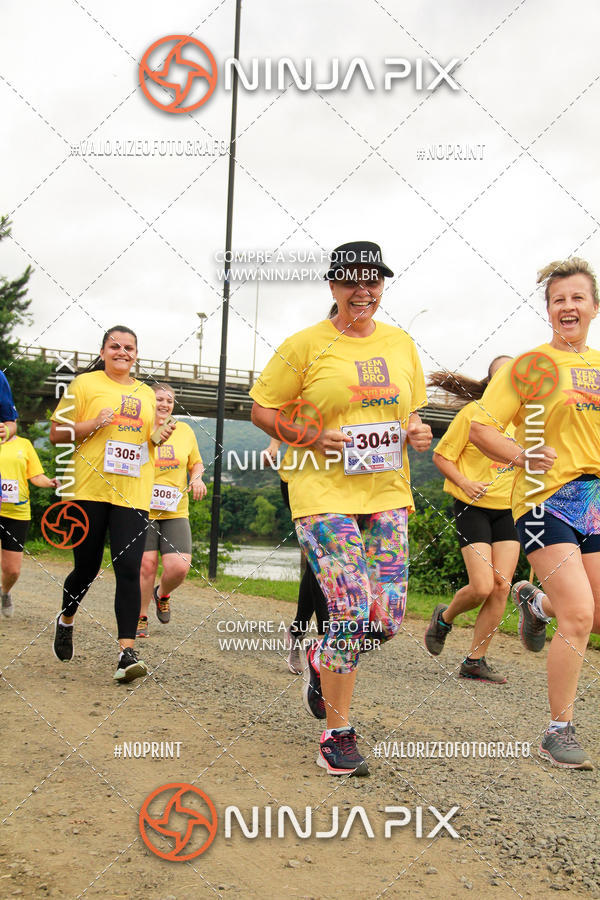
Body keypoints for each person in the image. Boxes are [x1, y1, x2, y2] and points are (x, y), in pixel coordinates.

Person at [250, 240, 432, 776]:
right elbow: (261, 409)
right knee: (351, 610)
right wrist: (311, 435)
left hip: (386, 494)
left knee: (388, 618)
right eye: (352, 281)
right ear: (333, 286)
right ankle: (337, 732)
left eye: (373, 281)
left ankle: (320, 657)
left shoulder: (401, 344)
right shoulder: (304, 345)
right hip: (321, 492)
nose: (363, 291)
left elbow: (411, 414)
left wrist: (417, 430)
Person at [470, 258, 600, 770]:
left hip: (594, 499)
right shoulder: (531, 366)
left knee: (595, 613)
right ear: (547, 309)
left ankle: (537, 605)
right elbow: (482, 427)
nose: (567, 307)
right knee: (581, 613)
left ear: (593, 307)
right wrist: (521, 454)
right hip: (546, 499)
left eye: (577, 298)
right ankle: (557, 730)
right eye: (558, 299)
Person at [50, 326, 175, 683]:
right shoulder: (84, 385)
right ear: (103, 351)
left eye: (130, 347)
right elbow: (57, 433)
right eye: (115, 346)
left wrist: (159, 436)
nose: (123, 352)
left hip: (132, 494)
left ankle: (126, 652)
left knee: (129, 569)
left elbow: (148, 441)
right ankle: (66, 619)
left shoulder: (146, 394)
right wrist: (92, 423)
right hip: (88, 489)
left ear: (137, 353)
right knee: (86, 568)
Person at [424, 356, 519, 683]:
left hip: (509, 508)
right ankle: (445, 617)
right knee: (481, 586)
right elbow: (441, 456)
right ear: (493, 383)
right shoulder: (473, 414)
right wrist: (464, 482)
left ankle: (474, 661)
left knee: (501, 587)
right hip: (472, 505)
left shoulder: (527, 419)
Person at [137, 383, 206, 637]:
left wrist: (196, 478)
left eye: (169, 400)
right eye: (159, 399)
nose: (165, 404)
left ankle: (161, 593)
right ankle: (140, 615)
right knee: (147, 564)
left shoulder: (184, 430)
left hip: (175, 509)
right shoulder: (139, 427)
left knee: (179, 567)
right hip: (142, 507)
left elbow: (196, 463)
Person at [261, 436, 330, 674]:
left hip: (340, 481)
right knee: (321, 555)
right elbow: (283, 414)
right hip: (301, 477)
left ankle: (298, 630)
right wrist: (274, 446)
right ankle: (324, 640)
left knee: (321, 559)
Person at [1, 431, 58, 617]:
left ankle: (5, 592)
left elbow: (35, 476)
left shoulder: (24, 444)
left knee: (13, 570)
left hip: (17, 512)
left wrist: (49, 482)